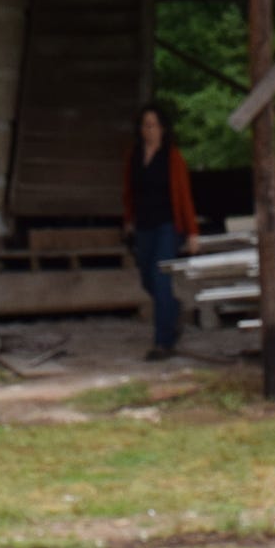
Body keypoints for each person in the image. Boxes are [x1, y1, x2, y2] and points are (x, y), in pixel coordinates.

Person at [121, 101, 200, 360]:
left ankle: (162, 343)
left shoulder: (172, 157)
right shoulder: (134, 155)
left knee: (160, 278)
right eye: (145, 125)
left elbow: (185, 196)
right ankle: (173, 310)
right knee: (147, 279)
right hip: (143, 226)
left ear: (163, 129)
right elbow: (129, 191)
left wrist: (192, 232)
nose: (149, 130)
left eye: (154, 125)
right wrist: (129, 220)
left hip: (167, 225)